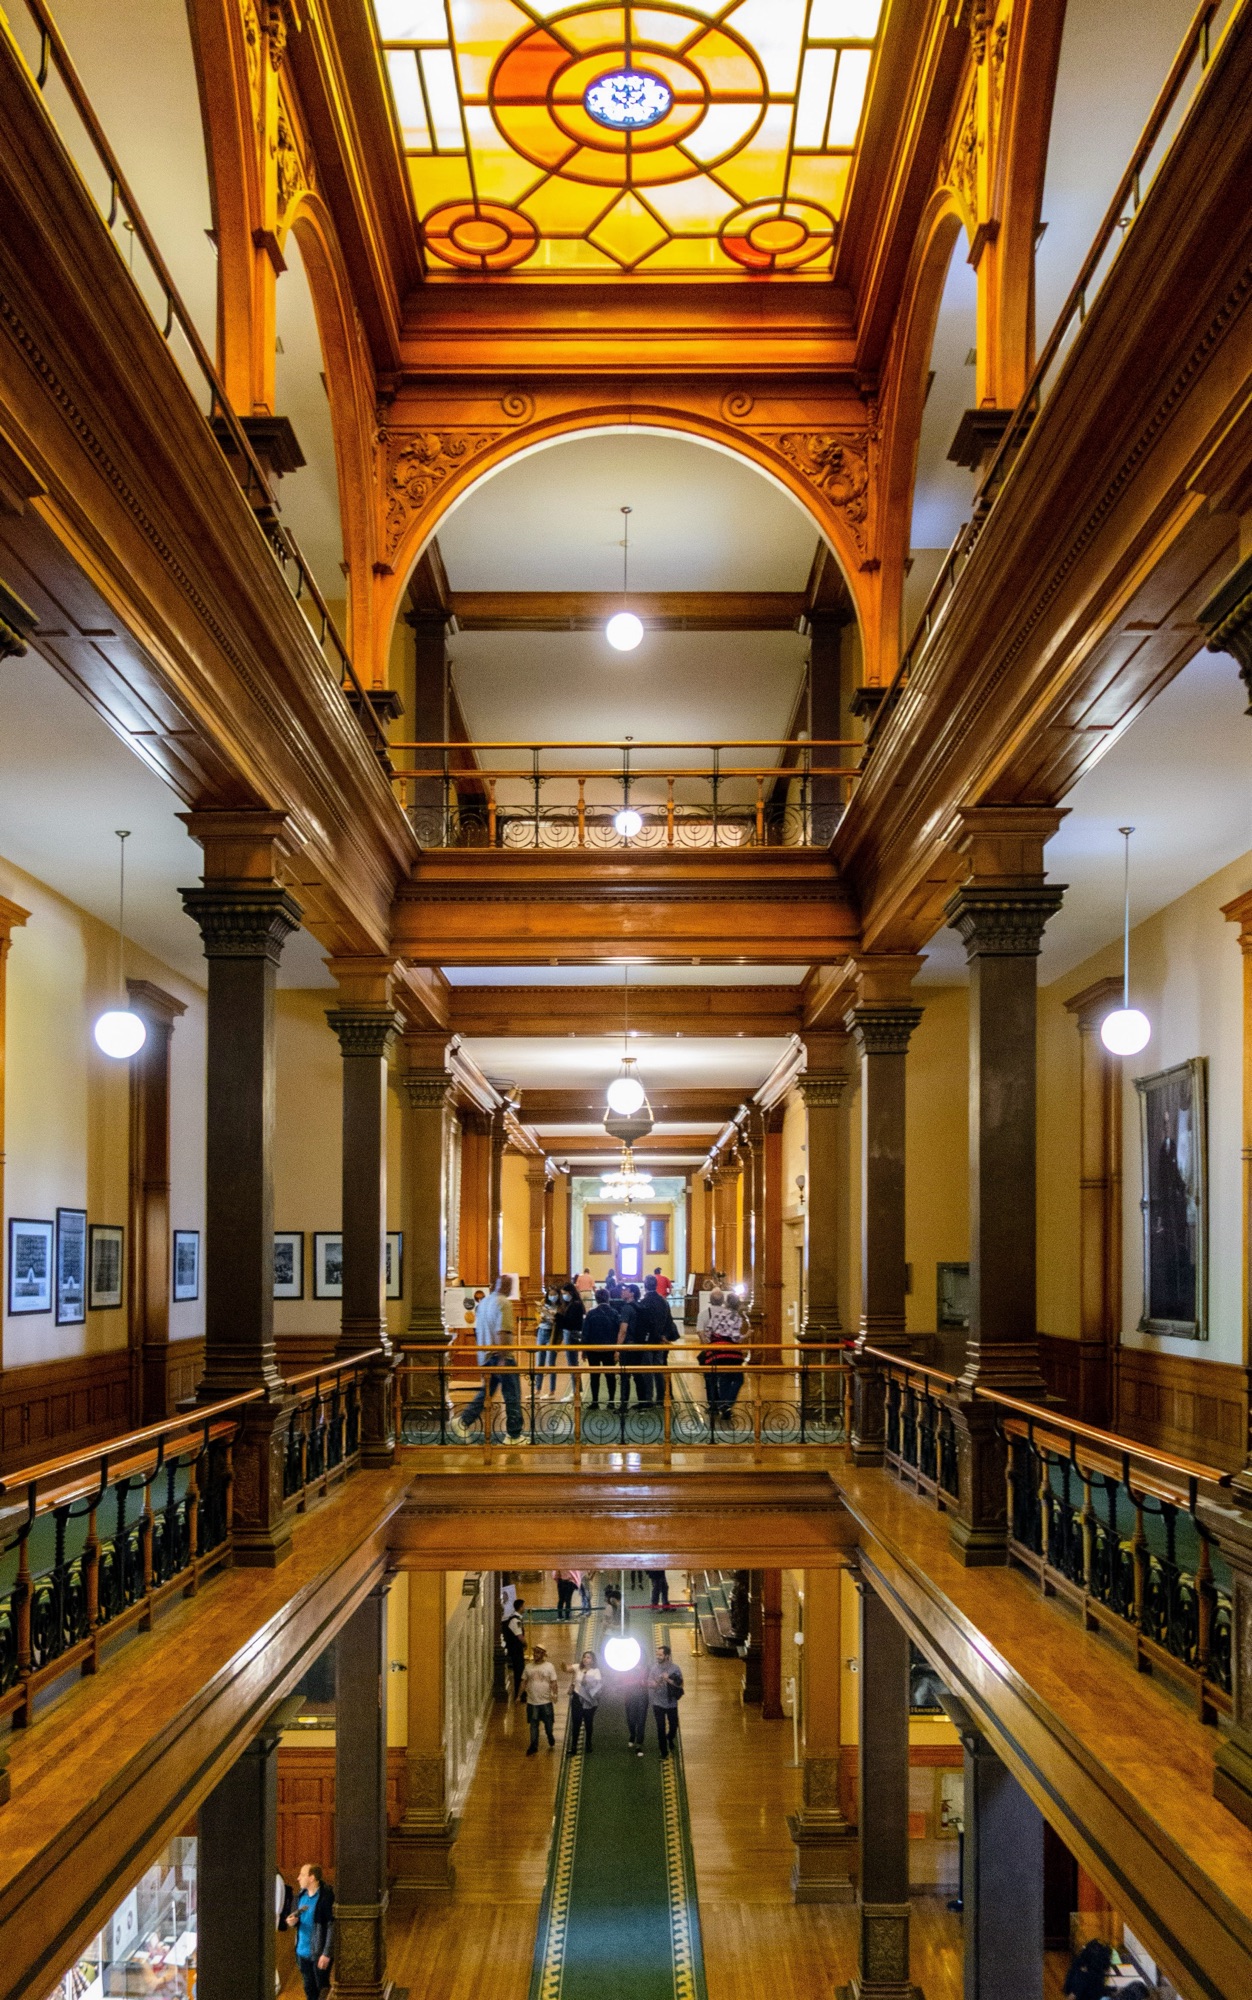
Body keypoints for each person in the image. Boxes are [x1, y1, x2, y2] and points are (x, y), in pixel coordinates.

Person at [455, 1276, 522, 1439]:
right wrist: (503, 1357)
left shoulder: (484, 1303)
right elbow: (503, 1332)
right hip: (500, 1356)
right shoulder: (504, 1303)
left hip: (485, 1355)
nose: (510, 1288)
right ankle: (514, 1435)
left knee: (486, 1393)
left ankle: (463, 1421)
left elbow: (478, 1331)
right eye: (509, 1285)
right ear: (506, 1286)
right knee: (512, 1395)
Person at [286, 1862, 333, 2000]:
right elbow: (296, 1918)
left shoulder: (326, 1898)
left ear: (312, 1878)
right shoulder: (300, 1896)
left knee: (322, 1989)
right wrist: (292, 1922)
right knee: (309, 1989)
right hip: (302, 1952)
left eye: (302, 1875)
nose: (298, 1878)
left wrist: (327, 1953)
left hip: (319, 1953)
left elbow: (332, 1926)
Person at [700, 1287, 746, 1421]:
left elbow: (708, 1331)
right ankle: (727, 1404)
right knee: (738, 1379)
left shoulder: (717, 1314)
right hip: (730, 1353)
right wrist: (747, 1335)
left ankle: (722, 1405)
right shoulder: (736, 1317)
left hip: (715, 1352)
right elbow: (735, 1338)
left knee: (724, 1379)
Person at [632, 1273, 677, 1407]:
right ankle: (661, 1397)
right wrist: (664, 1336)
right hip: (660, 1341)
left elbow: (644, 1323)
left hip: (648, 1341)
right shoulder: (663, 1301)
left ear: (645, 1286)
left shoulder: (644, 1302)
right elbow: (669, 1320)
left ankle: (648, 1398)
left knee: (647, 1371)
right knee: (659, 1369)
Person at [582, 1286, 625, 1407]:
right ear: (608, 1298)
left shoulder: (591, 1314)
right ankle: (611, 1401)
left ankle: (595, 1401)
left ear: (596, 1299)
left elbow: (585, 1333)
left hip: (593, 1349)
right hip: (609, 1349)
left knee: (594, 1376)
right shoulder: (614, 1313)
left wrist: (584, 1350)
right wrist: (617, 1349)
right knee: (610, 1376)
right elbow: (619, 1331)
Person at [647, 1644, 684, 1759]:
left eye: (660, 1655)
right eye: (657, 1654)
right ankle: (663, 1751)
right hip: (658, 1703)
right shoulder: (654, 1669)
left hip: (671, 1702)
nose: (658, 1657)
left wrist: (668, 1679)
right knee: (660, 1728)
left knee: (673, 1726)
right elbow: (650, 1683)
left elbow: (680, 1684)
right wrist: (656, 1683)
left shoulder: (675, 1668)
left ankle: (670, 1737)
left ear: (667, 1656)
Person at [522, 1644, 559, 1753]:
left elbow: (553, 1682)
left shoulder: (549, 1666)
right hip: (532, 1701)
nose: (535, 1654)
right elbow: (523, 1681)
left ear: (543, 1654)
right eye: (535, 1652)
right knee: (533, 1724)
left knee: (548, 1724)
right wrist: (519, 1695)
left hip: (545, 1701)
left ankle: (549, 1735)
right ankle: (533, 1745)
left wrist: (555, 1694)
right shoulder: (528, 1667)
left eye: (538, 1653)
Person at [565, 1648, 603, 1753]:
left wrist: (588, 1681)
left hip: (589, 1700)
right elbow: (567, 1669)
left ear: (592, 1660)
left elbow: (597, 1685)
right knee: (576, 1723)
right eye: (584, 1657)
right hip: (577, 1698)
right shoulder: (578, 1667)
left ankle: (588, 1744)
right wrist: (563, 1665)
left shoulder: (596, 1671)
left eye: (588, 1657)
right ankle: (574, 1746)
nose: (585, 1659)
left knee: (588, 1723)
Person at [553, 1282, 585, 1398]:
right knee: (572, 1363)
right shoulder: (573, 1303)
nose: (563, 1296)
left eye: (564, 1293)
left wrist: (557, 1316)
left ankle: (576, 1391)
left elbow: (570, 1322)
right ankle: (576, 1390)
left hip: (571, 1334)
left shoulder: (575, 1305)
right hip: (570, 1333)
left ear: (570, 1292)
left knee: (573, 1364)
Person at [534, 1285, 562, 1396]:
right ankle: (537, 1389)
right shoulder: (543, 1302)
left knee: (551, 1363)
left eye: (554, 1294)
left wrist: (554, 1319)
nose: (552, 1296)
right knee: (539, 1362)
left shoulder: (560, 1306)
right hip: (542, 1331)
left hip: (552, 1334)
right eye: (550, 1294)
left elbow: (560, 1320)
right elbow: (537, 1315)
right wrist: (541, 1318)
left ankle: (552, 1390)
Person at [622, 1654, 650, 1756]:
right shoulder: (628, 1668)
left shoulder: (646, 1668)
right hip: (630, 1697)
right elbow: (624, 1682)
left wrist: (644, 1683)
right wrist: (637, 1682)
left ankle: (639, 1744)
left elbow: (649, 1682)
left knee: (641, 1721)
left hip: (642, 1697)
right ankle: (632, 1734)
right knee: (631, 1719)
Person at [503, 1597, 527, 1699]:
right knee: (519, 1671)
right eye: (524, 1606)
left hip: (516, 1649)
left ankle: (520, 1692)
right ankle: (519, 1693)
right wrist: (525, 1644)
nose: (525, 1608)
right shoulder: (515, 1620)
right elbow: (519, 1636)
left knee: (520, 1670)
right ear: (520, 1607)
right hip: (515, 1650)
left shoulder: (516, 1618)